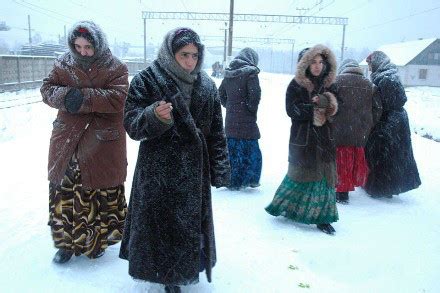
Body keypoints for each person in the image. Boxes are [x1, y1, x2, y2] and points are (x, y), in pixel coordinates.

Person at [119, 28, 230, 293]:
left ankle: (180, 272)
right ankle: (166, 275)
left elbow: (216, 132)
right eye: (184, 55)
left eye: (194, 55)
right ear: (171, 53)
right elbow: (131, 124)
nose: (190, 61)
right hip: (158, 169)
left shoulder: (207, 85)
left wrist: (220, 168)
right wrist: (153, 117)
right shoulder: (147, 80)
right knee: (161, 227)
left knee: (187, 227)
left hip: (193, 172)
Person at [40, 20, 129, 264]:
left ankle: (95, 242)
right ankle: (65, 244)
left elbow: (119, 99)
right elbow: (47, 89)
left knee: (97, 192)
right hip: (67, 139)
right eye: (78, 46)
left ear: (98, 44)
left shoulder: (116, 67)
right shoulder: (63, 63)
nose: (82, 52)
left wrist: (83, 99)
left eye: (88, 47)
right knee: (64, 192)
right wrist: (67, 96)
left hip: (101, 142)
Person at [265, 44, 339, 235]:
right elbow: (292, 110)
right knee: (299, 176)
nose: (317, 66)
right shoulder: (296, 85)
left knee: (324, 179)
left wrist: (327, 102)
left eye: (321, 62)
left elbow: (339, 108)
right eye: (313, 62)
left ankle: (323, 218)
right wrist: (312, 108)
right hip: (304, 139)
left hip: (325, 140)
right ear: (304, 64)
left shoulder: (330, 85)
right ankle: (287, 207)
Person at [364, 51, 421, 197]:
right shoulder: (388, 75)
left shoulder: (385, 78)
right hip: (396, 121)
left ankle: (382, 188)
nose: (369, 67)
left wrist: (379, 118)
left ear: (376, 62)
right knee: (393, 155)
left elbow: (389, 102)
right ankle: (389, 187)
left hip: (389, 121)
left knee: (383, 154)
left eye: (370, 64)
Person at [332, 59, 382, 204]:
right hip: (360, 132)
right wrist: (370, 123)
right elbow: (378, 109)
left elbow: (329, 104)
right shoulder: (370, 85)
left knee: (340, 161)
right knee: (353, 161)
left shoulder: (336, 82)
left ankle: (341, 192)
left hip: (339, 130)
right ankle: (349, 186)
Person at [219, 47, 262, 190]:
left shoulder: (229, 74)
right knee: (250, 149)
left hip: (231, 120)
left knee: (233, 150)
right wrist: (250, 109)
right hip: (247, 120)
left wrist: (230, 106)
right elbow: (255, 95)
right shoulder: (251, 73)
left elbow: (221, 95)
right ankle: (250, 178)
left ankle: (233, 180)